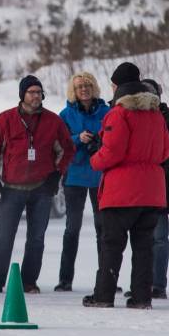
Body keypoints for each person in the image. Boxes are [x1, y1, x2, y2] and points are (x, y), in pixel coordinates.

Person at [0, 75, 75, 294]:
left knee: (36, 238)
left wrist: (56, 175)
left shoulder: (53, 121)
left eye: (39, 92)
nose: (36, 96)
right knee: (4, 236)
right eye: (32, 92)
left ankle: (28, 281)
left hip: (42, 188)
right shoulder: (5, 119)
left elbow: (68, 149)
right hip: (12, 188)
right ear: (22, 95)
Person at [82, 75, 169, 309]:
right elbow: (165, 153)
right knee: (144, 248)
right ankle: (142, 298)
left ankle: (103, 295)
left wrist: (94, 160)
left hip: (121, 192)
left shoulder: (119, 114)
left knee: (112, 246)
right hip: (151, 192)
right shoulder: (156, 115)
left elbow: (112, 152)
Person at [54, 71, 110, 292]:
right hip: (75, 176)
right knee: (72, 229)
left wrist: (99, 141)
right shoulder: (65, 114)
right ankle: (65, 279)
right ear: (73, 91)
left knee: (103, 229)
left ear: (93, 87)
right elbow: (57, 143)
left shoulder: (107, 112)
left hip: (100, 176)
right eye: (79, 87)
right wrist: (78, 139)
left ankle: (106, 277)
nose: (84, 89)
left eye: (87, 85)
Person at [142, 78, 169, 300]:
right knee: (141, 239)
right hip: (139, 191)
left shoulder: (168, 120)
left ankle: (158, 284)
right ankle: (142, 283)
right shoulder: (137, 117)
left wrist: (157, 178)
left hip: (161, 190)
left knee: (159, 238)